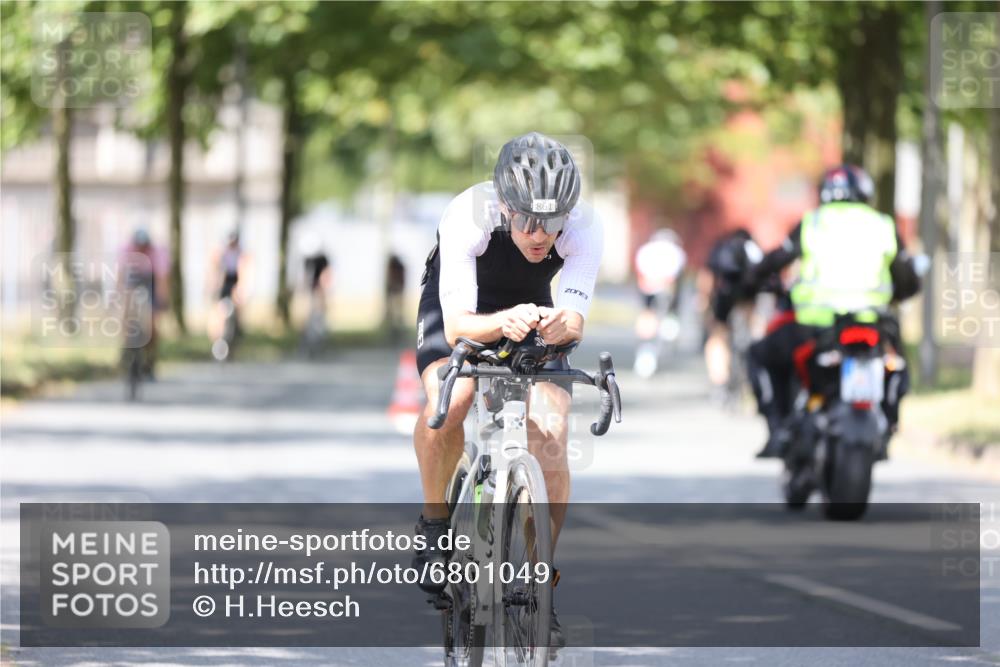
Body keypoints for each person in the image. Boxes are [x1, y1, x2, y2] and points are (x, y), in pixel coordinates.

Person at [413, 132, 602, 649]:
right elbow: (456, 329)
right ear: (503, 206)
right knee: (452, 402)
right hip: (460, 307)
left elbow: (576, 315)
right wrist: (499, 324)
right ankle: (433, 525)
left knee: (554, 431)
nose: (540, 235)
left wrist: (566, 326)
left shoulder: (585, 226)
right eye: (526, 220)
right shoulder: (468, 215)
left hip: (530, 306)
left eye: (553, 222)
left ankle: (542, 583)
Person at [747, 165, 921, 458]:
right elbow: (907, 277)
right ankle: (890, 423)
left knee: (759, 355)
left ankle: (778, 428)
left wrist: (755, 277)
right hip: (872, 322)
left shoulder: (813, 223)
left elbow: (777, 259)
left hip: (816, 325)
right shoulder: (882, 224)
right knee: (899, 364)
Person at [702, 228, 765, 399]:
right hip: (748, 296)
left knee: (718, 335)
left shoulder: (723, 248)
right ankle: (751, 371)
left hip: (725, 294)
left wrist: (705, 301)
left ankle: (719, 381)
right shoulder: (754, 249)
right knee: (753, 329)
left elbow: (708, 275)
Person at [633, 228, 686, 377]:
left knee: (647, 317)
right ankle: (668, 327)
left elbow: (640, 274)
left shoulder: (646, 250)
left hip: (648, 286)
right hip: (664, 287)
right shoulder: (675, 252)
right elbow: (676, 277)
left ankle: (646, 352)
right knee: (659, 318)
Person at [119, 228, 170, 377]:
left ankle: (150, 359)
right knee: (126, 314)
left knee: (152, 323)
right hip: (133, 279)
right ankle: (126, 348)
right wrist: (120, 297)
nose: (141, 250)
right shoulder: (126, 251)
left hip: (151, 281)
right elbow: (121, 277)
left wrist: (161, 301)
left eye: (144, 247)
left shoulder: (157, 253)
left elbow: (161, 280)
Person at [385, 253, 406, 342]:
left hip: (396, 292)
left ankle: (396, 334)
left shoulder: (396, 267)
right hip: (395, 292)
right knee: (394, 315)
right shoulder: (398, 267)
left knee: (396, 314)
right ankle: (394, 333)